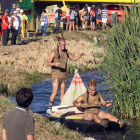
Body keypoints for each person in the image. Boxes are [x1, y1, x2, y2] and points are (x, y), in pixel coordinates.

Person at [46, 34, 85, 114]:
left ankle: (62, 107)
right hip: (56, 74)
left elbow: (73, 58)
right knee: (55, 91)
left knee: (63, 92)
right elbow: (48, 63)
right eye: (62, 45)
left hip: (63, 74)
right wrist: (54, 64)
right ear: (58, 45)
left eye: (64, 44)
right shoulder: (54, 52)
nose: (63, 46)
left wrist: (80, 55)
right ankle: (49, 108)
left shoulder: (66, 52)